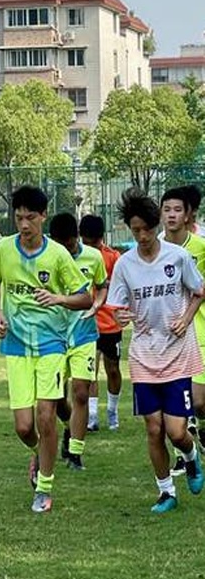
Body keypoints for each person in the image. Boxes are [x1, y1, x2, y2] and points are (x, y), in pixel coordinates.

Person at [0, 186, 91, 513]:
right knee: (24, 427)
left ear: (42, 217)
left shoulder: (57, 255)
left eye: (30, 217)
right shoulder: (3, 249)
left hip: (51, 346)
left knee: (46, 417)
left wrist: (58, 298)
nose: (24, 224)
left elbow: (85, 298)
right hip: (16, 346)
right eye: (19, 217)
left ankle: (44, 488)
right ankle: (40, 452)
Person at [107, 187, 204, 513]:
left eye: (147, 229)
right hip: (144, 356)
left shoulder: (177, 258)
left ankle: (191, 456)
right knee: (153, 428)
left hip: (177, 353)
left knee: (176, 432)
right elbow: (116, 307)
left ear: (156, 224)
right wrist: (120, 314)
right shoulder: (124, 264)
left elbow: (199, 291)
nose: (143, 235)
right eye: (136, 230)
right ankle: (166, 492)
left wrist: (186, 318)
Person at [48, 212, 109, 471]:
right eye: (61, 245)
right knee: (56, 397)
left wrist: (97, 303)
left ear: (77, 238)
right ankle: (67, 426)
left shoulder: (93, 256)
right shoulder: (46, 256)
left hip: (84, 333)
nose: (66, 250)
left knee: (82, 391)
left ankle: (75, 453)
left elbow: (102, 284)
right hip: (52, 336)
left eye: (70, 245)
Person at [159, 187, 205, 476]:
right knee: (174, 408)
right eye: (167, 209)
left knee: (199, 402)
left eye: (178, 210)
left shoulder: (200, 247)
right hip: (170, 337)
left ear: (188, 215)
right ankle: (184, 456)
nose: (172, 215)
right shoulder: (156, 247)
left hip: (201, 330)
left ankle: (198, 428)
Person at [79, 214, 123, 431]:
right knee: (90, 371)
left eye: (94, 243)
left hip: (110, 324)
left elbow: (122, 288)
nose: (90, 248)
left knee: (113, 369)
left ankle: (112, 411)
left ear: (101, 239)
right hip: (87, 322)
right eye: (86, 243)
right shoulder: (76, 257)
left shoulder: (113, 258)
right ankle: (93, 416)